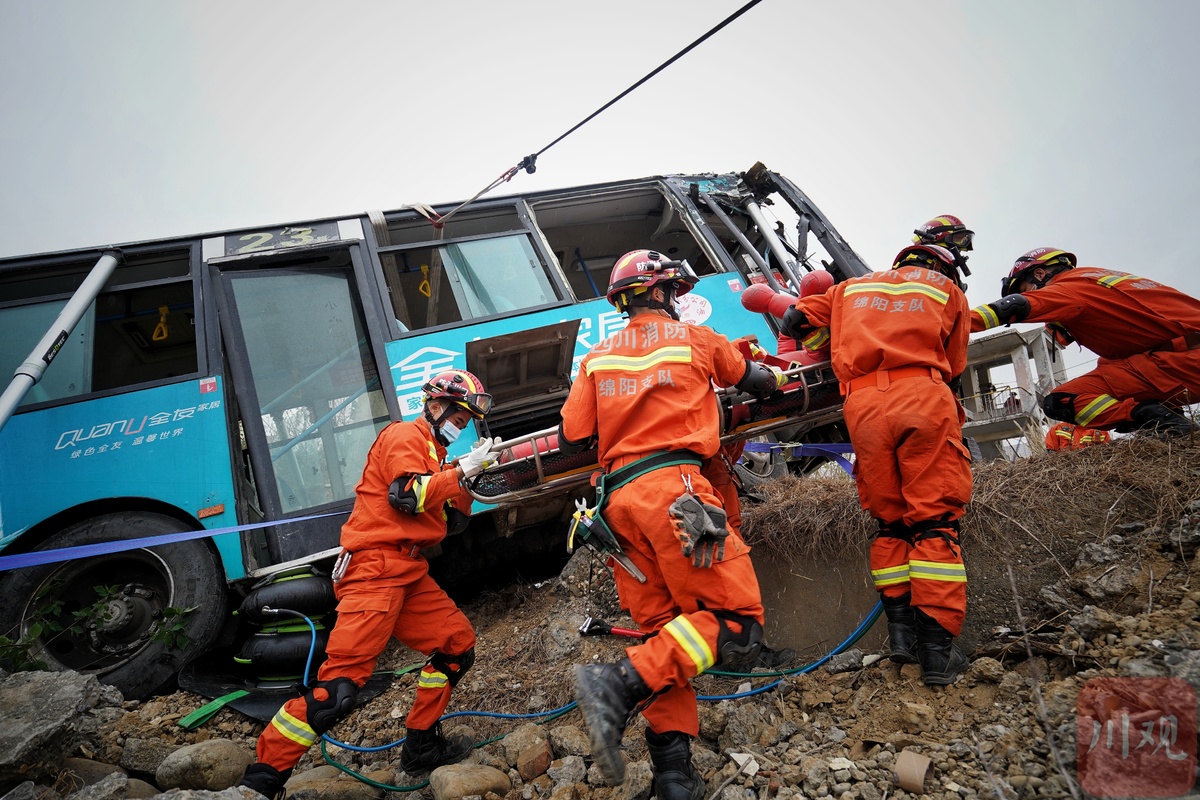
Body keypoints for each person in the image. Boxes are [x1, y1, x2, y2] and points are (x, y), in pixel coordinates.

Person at [559, 249, 784, 800]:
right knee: (735, 624)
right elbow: (760, 383)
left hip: (616, 508)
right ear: (662, 292)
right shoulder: (695, 338)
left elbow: (572, 432)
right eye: (674, 290)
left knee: (666, 638)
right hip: (676, 493)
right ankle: (617, 684)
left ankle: (673, 781)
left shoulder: (597, 359)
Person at [239, 371, 500, 799]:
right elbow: (406, 496)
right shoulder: (403, 435)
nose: (463, 425)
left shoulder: (436, 456)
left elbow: (451, 523)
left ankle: (421, 748)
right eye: (460, 415)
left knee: (456, 646)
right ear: (435, 407)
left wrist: (467, 479)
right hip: (374, 571)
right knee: (338, 693)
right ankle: (260, 781)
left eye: (469, 419)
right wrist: (458, 475)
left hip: (407, 571)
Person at [780, 230, 973, 686]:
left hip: (862, 405)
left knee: (890, 523)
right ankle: (937, 653)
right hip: (921, 394)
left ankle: (901, 638)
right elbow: (957, 362)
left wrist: (840, 339)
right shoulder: (947, 290)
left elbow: (793, 321)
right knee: (934, 523)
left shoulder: (849, 289)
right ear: (944, 266)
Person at [972, 248, 1200, 436]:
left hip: (1183, 359)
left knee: (1060, 401)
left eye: (1027, 288)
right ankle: (1170, 420)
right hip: (1175, 354)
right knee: (1108, 364)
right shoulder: (1095, 278)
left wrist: (955, 321)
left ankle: (1158, 419)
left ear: (1040, 275)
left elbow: (1013, 306)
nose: (1031, 294)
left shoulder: (1065, 288)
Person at [1044, 420, 1111, 451]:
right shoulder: (1057, 429)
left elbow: (1108, 453)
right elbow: (1051, 455)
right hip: (1065, 473)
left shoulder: (1101, 431)